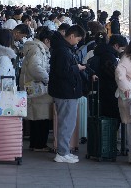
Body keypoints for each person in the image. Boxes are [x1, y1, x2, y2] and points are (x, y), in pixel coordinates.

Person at [48, 24, 86, 163]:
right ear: (71, 36)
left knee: (66, 123)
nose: (77, 42)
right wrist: (77, 68)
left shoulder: (62, 49)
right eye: (77, 39)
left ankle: (64, 151)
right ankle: (62, 153)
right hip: (65, 92)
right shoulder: (63, 51)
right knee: (66, 123)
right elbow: (63, 72)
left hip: (64, 91)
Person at [21, 27, 53, 152]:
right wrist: (47, 78)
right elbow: (35, 67)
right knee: (41, 117)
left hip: (32, 86)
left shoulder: (35, 48)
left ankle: (35, 144)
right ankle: (40, 144)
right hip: (38, 87)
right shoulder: (37, 49)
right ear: (46, 40)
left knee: (36, 116)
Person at [87, 34, 127, 123]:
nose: (122, 51)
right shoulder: (109, 56)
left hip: (100, 90)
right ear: (116, 45)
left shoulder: (101, 52)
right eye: (122, 49)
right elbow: (114, 74)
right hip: (108, 91)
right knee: (111, 118)